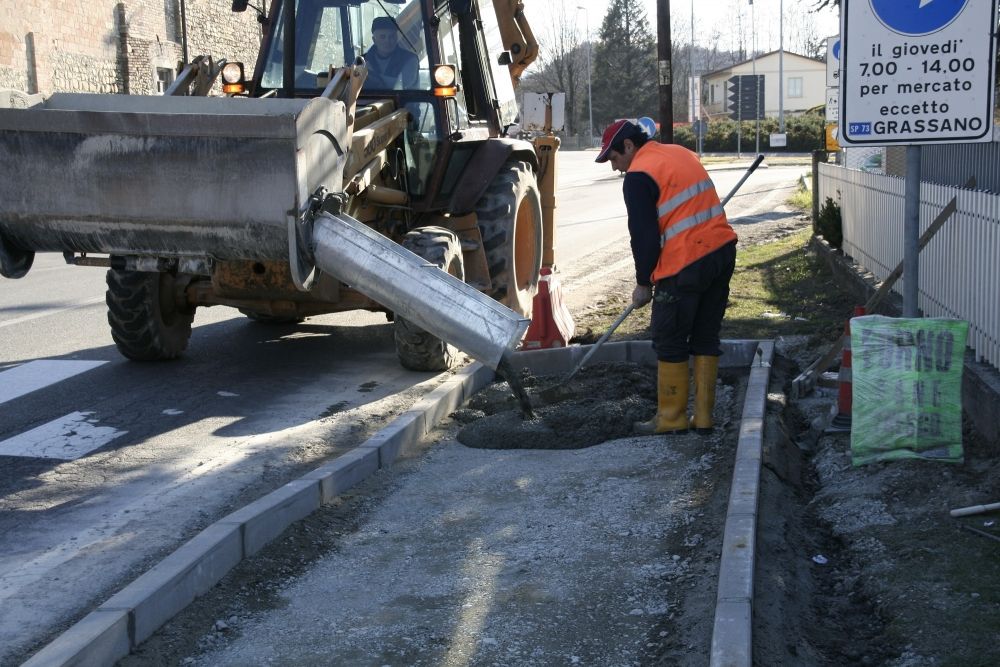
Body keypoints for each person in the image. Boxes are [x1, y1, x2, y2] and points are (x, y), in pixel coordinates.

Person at [595, 119, 738, 436]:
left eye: (615, 158)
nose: (615, 167)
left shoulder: (637, 176)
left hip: (686, 264)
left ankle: (671, 419)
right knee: (705, 336)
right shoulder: (680, 153)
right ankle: (703, 419)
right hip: (722, 253)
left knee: (669, 338)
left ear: (629, 146)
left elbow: (644, 238)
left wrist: (643, 282)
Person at [363, 16, 419, 90]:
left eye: (391, 36)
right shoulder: (361, 60)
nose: (387, 41)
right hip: (369, 101)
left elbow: (402, 84)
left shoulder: (410, 59)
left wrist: (370, 74)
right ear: (374, 40)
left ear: (396, 38)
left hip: (403, 101)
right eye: (383, 37)